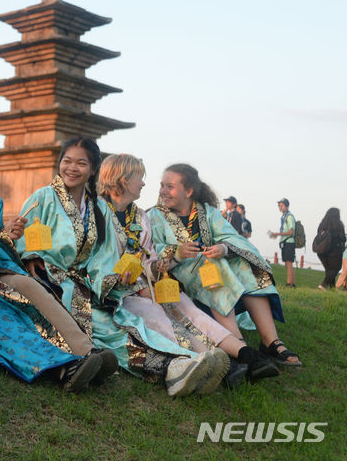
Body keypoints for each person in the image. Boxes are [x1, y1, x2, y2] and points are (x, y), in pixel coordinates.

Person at [15, 139, 225, 397]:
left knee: (126, 323)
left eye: (81, 163)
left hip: (88, 286)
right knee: (107, 332)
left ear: (93, 169)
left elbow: (103, 255)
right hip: (51, 282)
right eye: (67, 161)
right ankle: (172, 368)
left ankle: (183, 361)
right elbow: (20, 235)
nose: (72, 168)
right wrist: (29, 253)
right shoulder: (44, 197)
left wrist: (113, 278)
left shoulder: (99, 207)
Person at [0, 124, 116, 391]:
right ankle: (63, 366)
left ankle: (87, 351)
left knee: (31, 286)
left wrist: (9, 236)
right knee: (6, 315)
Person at [99, 154, 277, 384]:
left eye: (168, 186)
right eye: (139, 177)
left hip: (152, 284)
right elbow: (95, 259)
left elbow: (149, 256)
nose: (146, 184)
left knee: (188, 308)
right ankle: (218, 363)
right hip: (120, 291)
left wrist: (159, 266)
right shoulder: (98, 213)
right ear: (122, 179)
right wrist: (172, 255)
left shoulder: (140, 217)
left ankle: (247, 355)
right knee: (161, 319)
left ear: (189, 191)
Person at [148, 164, 302, 367]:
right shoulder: (154, 216)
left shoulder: (208, 212)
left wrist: (223, 248)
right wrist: (177, 251)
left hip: (211, 265)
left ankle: (271, 342)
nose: (163, 191)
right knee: (211, 267)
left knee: (246, 264)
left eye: (170, 186)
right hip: (180, 272)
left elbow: (233, 237)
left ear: (189, 191)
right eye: (162, 185)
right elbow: (151, 250)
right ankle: (239, 345)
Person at [315, 208, 346, 290]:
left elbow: (318, 234)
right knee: (336, 268)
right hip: (334, 251)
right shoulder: (338, 224)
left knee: (329, 270)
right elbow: (343, 238)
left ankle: (332, 289)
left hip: (321, 251)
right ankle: (323, 284)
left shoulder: (322, 224)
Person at [269, 198, 296, 288]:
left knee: (289, 263)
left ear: (287, 206)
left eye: (282, 205)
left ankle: (289, 283)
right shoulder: (283, 217)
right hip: (285, 241)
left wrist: (278, 233)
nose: (280, 207)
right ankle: (292, 283)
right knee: (287, 263)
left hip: (289, 242)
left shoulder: (289, 217)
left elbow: (291, 232)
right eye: (279, 206)